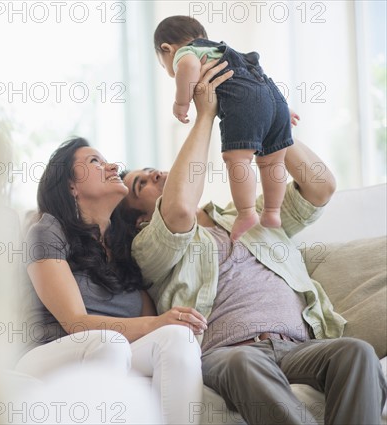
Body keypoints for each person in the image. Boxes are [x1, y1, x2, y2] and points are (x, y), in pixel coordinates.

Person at [118, 61, 387, 424]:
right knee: (244, 362)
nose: (158, 173)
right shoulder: (151, 249)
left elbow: (320, 187)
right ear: (141, 220)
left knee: (356, 354)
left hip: (298, 346)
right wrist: (206, 115)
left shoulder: (252, 216)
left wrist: (267, 110)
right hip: (231, 353)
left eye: (153, 169)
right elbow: (179, 210)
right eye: (143, 183)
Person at [14, 59, 234, 425]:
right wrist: (159, 322)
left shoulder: (122, 243)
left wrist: (168, 325)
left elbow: (151, 320)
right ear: (70, 185)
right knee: (110, 343)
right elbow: (77, 325)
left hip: (116, 351)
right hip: (47, 355)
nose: (112, 165)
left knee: (178, 339)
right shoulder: (47, 230)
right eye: (95, 161)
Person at [154, 15, 297, 240]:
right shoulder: (222, 51)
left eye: (164, 65)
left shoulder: (186, 53)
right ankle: (272, 211)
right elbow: (257, 79)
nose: (169, 70)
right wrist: (281, 109)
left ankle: (247, 213)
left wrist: (181, 102)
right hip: (272, 96)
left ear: (167, 49)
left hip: (245, 101)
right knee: (273, 161)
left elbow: (188, 66)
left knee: (238, 160)